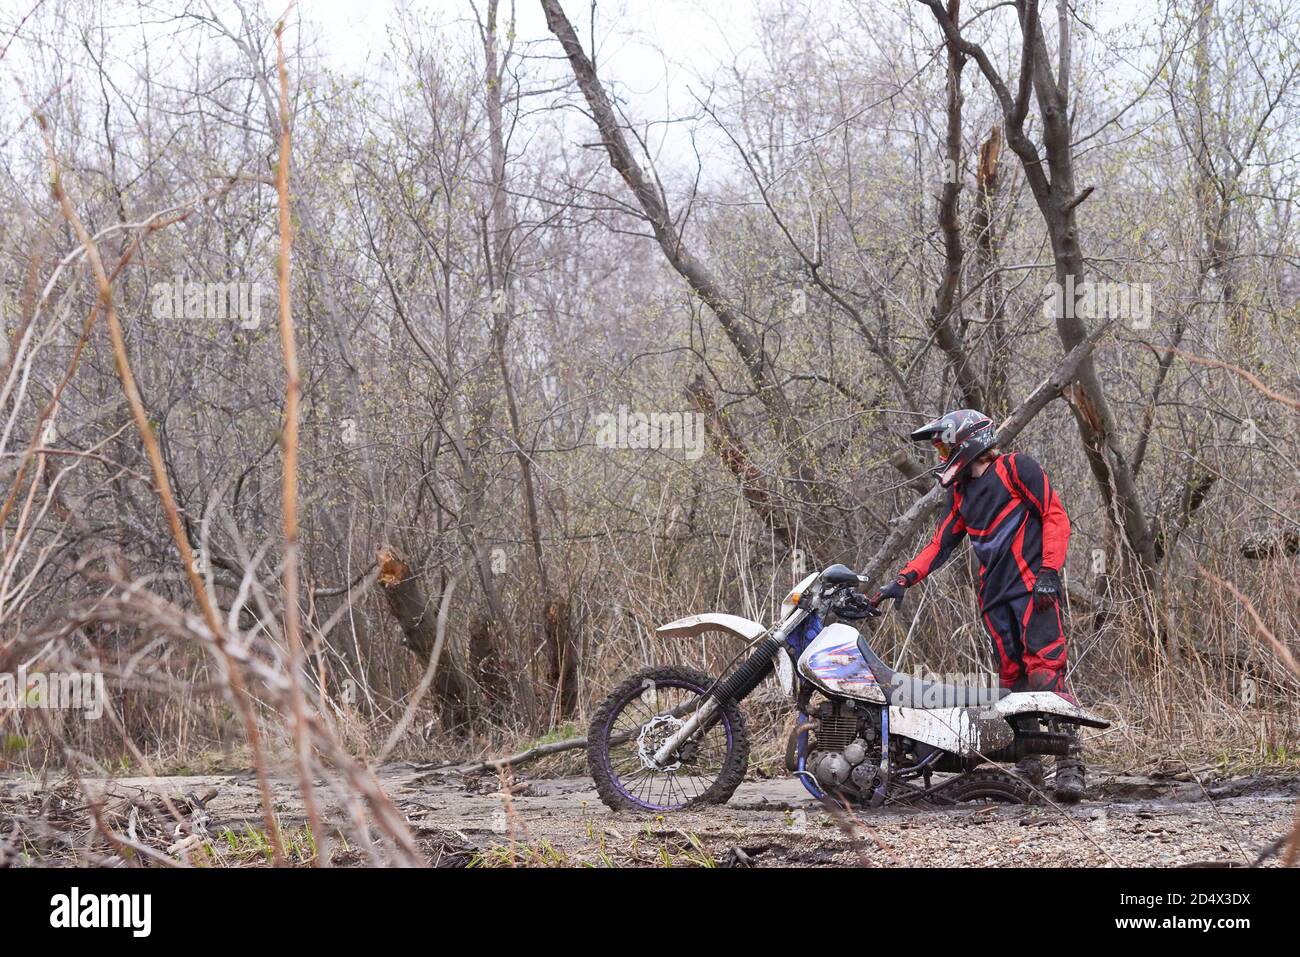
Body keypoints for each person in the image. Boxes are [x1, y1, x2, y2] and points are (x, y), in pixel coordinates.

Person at [872, 409, 1085, 801]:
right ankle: (1029, 761)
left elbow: (1055, 515)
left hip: (1033, 590)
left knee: (1046, 675)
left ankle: (1070, 764)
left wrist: (1051, 571)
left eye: (943, 444)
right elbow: (939, 545)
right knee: (1011, 681)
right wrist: (903, 580)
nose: (941, 453)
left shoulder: (1017, 469)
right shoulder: (961, 493)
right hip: (994, 599)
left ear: (967, 440)